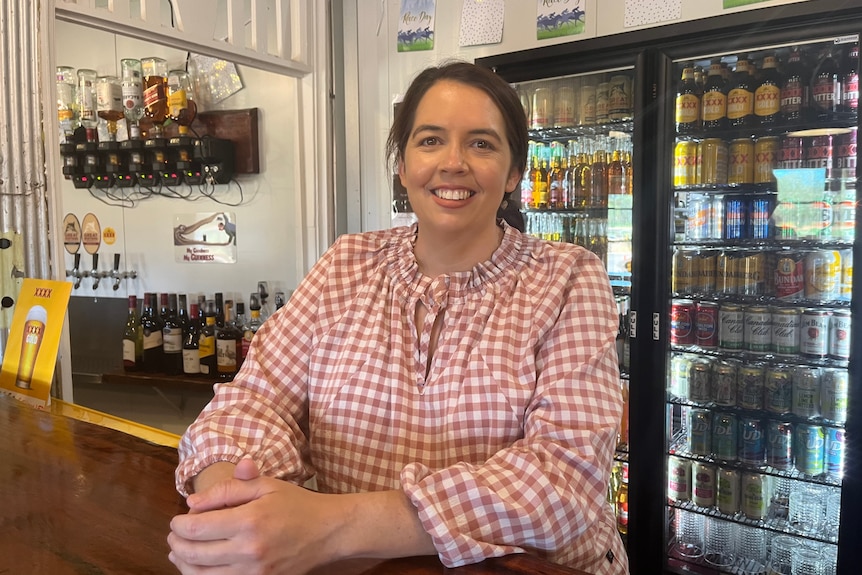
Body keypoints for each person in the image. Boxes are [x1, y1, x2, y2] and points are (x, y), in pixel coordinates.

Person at [168, 60, 628, 575]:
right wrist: (232, 502)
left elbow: (564, 481)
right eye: (430, 140)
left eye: (482, 144)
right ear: (403, 165)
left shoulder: (568, 279)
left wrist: (330, 526)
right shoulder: (347, 263)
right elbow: (254, 401)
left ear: (514, 172)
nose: (453, 163)